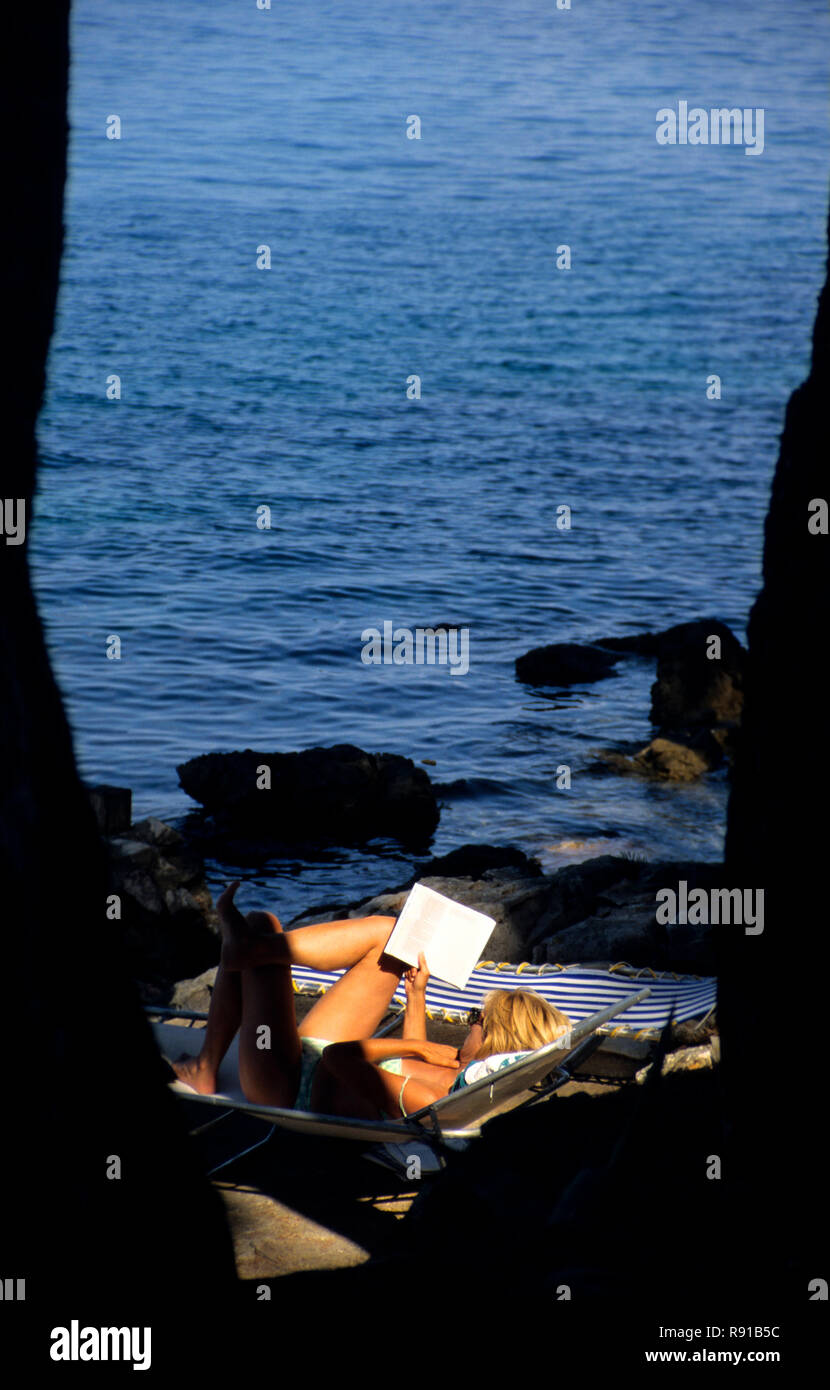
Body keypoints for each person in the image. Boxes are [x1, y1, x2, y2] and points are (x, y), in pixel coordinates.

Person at [172, 883, 570, 1120]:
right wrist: (416, 996)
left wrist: (414, 1045)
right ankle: (246, 950)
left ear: (497, 1038)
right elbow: (408, 1068)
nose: (469, 1023)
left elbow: (338, 1060)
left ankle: (207, 1066)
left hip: (289, 1088)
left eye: (476, 1018)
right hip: (311, 1065)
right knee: (393, 940)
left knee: (260, 926)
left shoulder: (434, 1098)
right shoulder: (456, 1070)